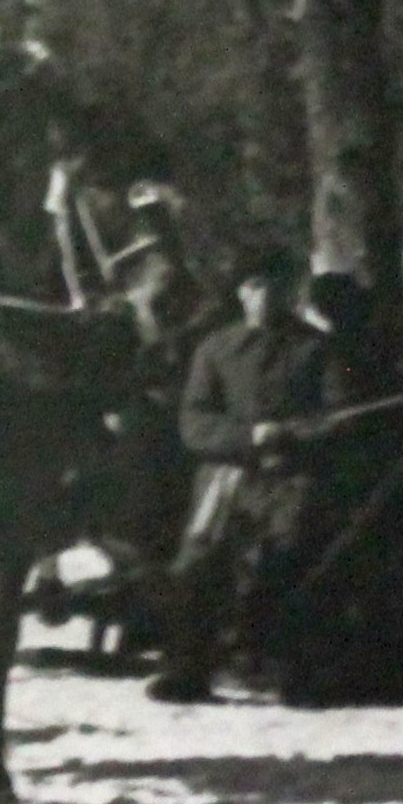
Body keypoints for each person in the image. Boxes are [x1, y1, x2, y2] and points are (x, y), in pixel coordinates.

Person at [149, 247, 333, 704]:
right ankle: (187, 669)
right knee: (194, 562)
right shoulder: (215, 348)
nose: (266, 296)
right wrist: (248, 436)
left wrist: (292, 434)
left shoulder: (318, 348)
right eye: (256, 286)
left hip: (290, 474)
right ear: (241, 292)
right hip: (226, 475)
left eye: (278, 286)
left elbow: (338, 413)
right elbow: (194, 422)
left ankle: (287, 667)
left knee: (289, 552)